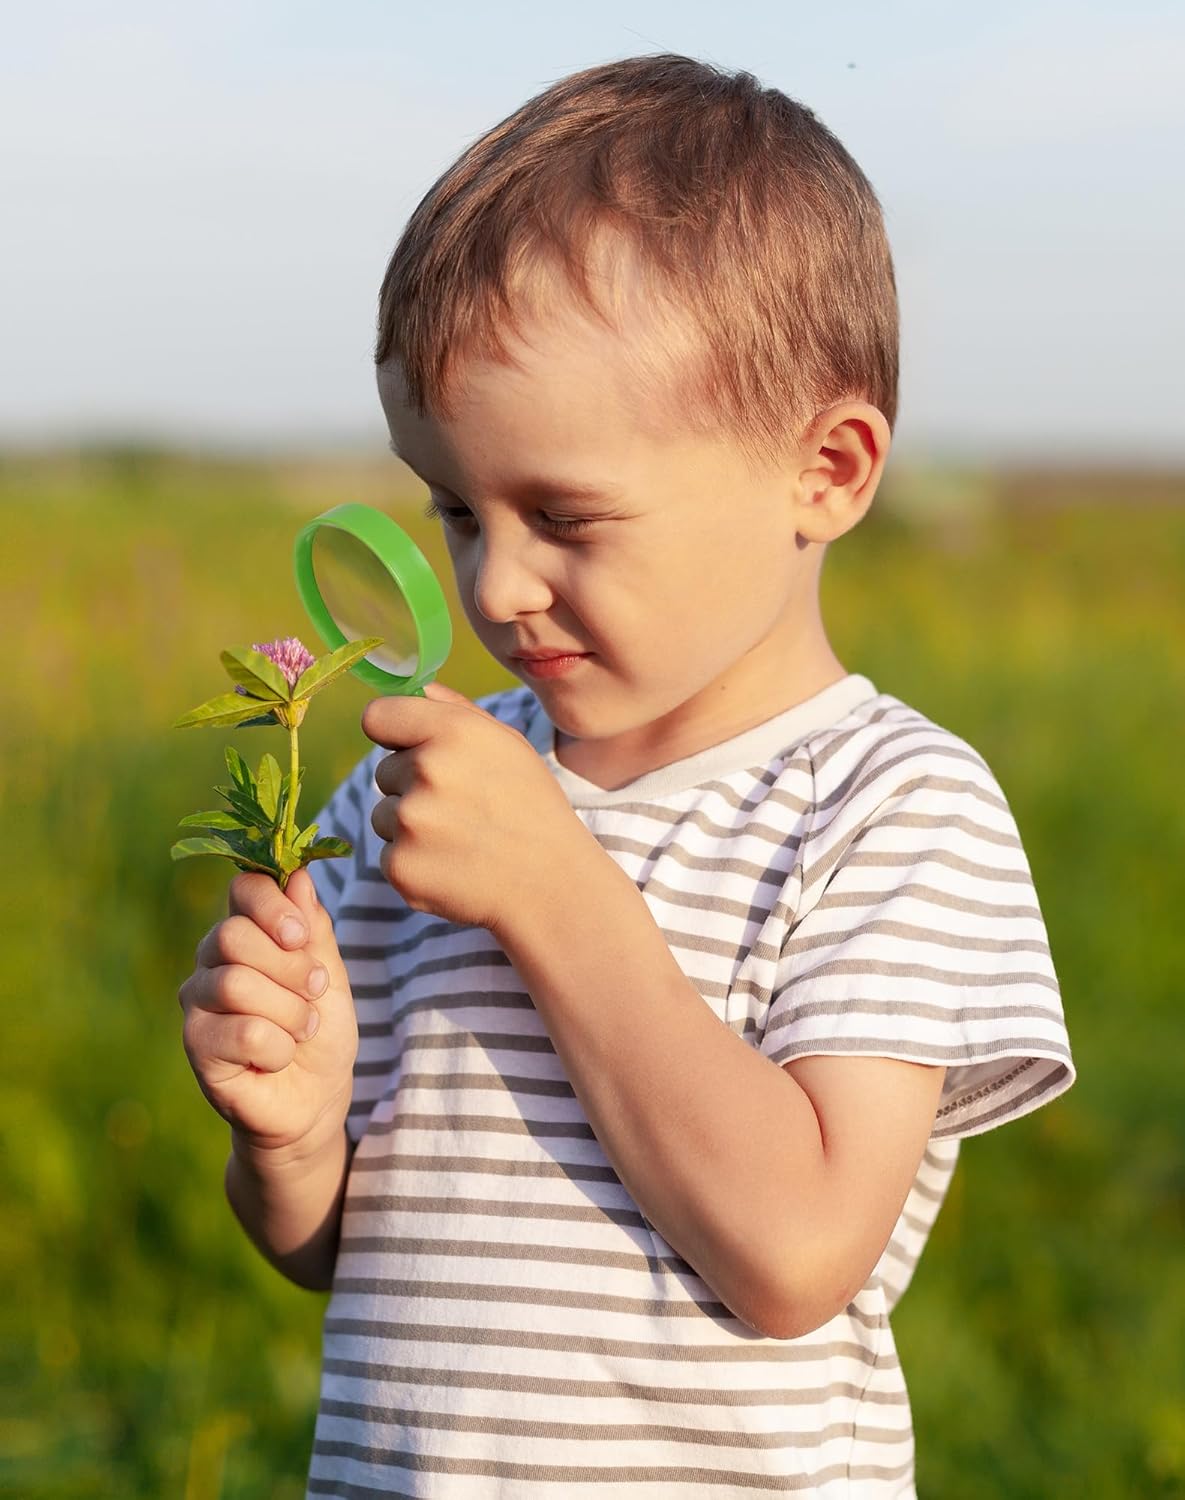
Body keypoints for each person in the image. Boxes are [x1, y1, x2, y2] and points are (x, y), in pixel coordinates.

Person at [178, 53, 1074, 1498]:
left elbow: (795, 1252)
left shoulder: (895, 809)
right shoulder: (409, 800)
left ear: (827, 471)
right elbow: (340, 1255)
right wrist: (288, 1144)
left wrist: (556, 894)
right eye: (457, 510)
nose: (497, 585)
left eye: (569, 517)